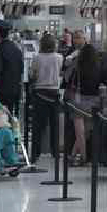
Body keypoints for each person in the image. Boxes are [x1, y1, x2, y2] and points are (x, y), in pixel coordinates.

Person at [68, 40, 107, 165]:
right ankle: (73, 155)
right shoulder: (100, 67)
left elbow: (68, 81)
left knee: (80, 133)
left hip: (78, 101)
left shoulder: (77, 67)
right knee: (86, 132)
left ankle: (83, 157)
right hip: (94, 102)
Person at [28, 33, 63, 162]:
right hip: (54, 92)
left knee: (38, 126)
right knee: (54, 124)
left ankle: (35, 153)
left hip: (40, 93)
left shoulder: (37, 58)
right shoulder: (59, 57)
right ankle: (55, 151)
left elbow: (32, 75)